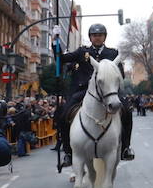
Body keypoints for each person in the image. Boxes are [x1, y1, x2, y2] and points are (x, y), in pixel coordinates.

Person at [53, 23, 135, 167]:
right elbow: (61, 58)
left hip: (108, 90)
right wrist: (55, 42)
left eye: (100, 35)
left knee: (127, 111)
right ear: (90, 37)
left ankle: (125, 148)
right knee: (64, 113)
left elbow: (119, 73)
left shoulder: (112, 53)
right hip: (85, 90)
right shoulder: (81, 52)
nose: (97, 38)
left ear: (104, 37)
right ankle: (68, 152)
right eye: (94, 35)